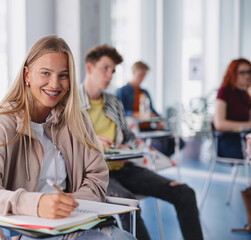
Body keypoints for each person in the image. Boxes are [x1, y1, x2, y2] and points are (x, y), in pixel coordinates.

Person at [0, 36, 134, 240]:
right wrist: (37, 204)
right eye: (45, 73)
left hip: (68, 226)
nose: (55, 84)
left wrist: (65, 205)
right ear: (27, 74)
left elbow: (97, 178)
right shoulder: (2, 123)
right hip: (15, 232)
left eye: (63, 75)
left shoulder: (77, 121)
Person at [78, 44, 203, 240]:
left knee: (185, 192)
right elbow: (63, 143)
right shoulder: (71, 103)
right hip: (95, 175)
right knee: (129, 203)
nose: (109, 75)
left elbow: (129, 136)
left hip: (124, 168)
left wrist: (125, 145)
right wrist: (93, 142)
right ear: (89, 68)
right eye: (105, 68)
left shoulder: (113, 101)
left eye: (113, 70)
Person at [116, 61, 183, 156]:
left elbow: (152, 110)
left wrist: (159, 120)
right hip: (136, 130)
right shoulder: (122, 91)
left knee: (177, 141)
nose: (142, 78)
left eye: (144, 75)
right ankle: (155, 161)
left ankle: (160, 160)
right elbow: (119, 112)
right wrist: (136, 114)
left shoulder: (145, 92)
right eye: (140, 75)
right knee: (161, 145)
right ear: (133, 72)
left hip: (149, 127)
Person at [214, 58, 251, 159]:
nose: (247, 76)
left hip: (244, 139)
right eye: (242, 72)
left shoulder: (245, 95)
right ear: (233, 74)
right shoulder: (224, 92)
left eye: (249, 72)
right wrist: (247, 125)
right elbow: (219, 124)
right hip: (229, 142)